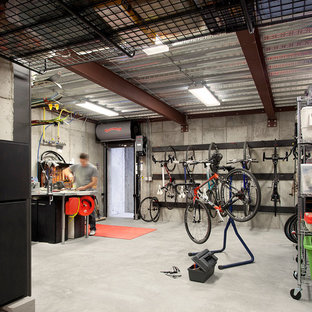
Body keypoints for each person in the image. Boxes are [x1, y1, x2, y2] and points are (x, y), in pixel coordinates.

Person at [63, 153, 98, 236]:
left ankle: (93, 228)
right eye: (81, 162)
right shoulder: (76, 166)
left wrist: (84, 187)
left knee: (90, 211)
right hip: (78, 192)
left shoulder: (93, 168)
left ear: (87, 160)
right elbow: (65, 170)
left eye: (84, 162)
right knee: (78, 209)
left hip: (88, 192)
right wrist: (70, 174)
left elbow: (94, 182)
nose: (82, 163)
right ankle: (79, 229)